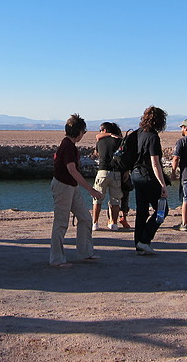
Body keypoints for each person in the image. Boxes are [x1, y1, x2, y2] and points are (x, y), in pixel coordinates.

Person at [49, 114, 103, 268]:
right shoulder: (67, 146)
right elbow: (72, 170)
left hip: (71, 186)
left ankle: (85, 252)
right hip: (63, 186)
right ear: (78, 132)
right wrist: (91, 190)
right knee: (61, 223)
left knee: (85, 218)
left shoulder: (69, 146)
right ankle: (56, 259)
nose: (83, 135)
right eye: (83, 132)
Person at [131, 106, 169, 255]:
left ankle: (139, 244)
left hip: (136, 174)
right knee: (162, 210)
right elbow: (155, 163)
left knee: (142, 211)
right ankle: (145, 240)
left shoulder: (139, 133)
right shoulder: (153, 137)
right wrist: (163, 184)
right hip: (147, 177)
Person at [92, 122, 124, 231]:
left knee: (97, 198)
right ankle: (114, 223)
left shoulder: (100, 141)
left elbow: (97, 153)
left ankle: (95, 223)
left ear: (104, 130)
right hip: (116, 172)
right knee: (115, 200)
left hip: (102, 171)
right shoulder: (119, 141)